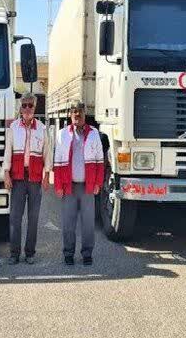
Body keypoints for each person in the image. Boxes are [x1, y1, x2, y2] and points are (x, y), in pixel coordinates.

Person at [53, 101, 104, 266]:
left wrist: (98, 183)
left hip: (88, 186)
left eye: (80, 111)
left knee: (88, 223)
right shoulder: (62, 134)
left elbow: (99, 161)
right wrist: (58, 185)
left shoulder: (94, 133)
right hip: (69, 186)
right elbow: (58, 161)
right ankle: (68, 253)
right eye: (74, 112)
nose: (77, 114)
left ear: (84, 114)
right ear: (70, 115)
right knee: (68, 223)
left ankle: (87, 254)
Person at [3, 92, 52, 265]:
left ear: (35, 107)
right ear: (20, 107)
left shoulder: (42, 129)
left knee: (33, 218)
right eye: (24, 105)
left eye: (30, 105)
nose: (27, 108)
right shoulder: (13, 128)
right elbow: (8, 151)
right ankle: (14, 254)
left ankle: (30, 253)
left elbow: (47, 153)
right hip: (17, 177)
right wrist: (5, 173)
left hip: (35, 178)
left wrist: (47, 175)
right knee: (15, 218)